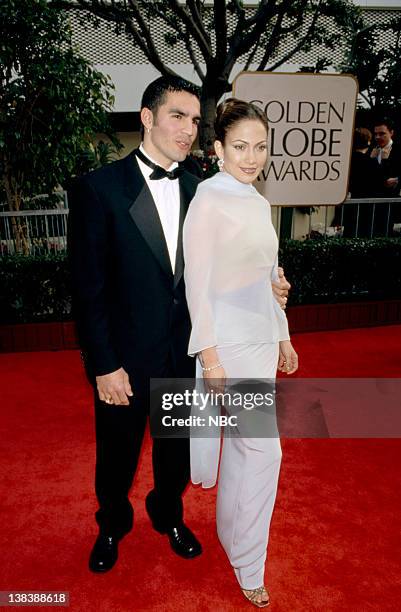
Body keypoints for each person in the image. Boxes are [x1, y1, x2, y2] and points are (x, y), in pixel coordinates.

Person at [68, 76, 291, 574]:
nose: (187, 129)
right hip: (124, 361)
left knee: (173, 456)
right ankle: (111, 525)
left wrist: (269, 289)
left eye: (194, 119)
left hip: (184, 356)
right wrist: (104, 364)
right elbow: (88, 290)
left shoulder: (204, 189)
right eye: (176, 116)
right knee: (117, 458)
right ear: (147, 117)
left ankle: (167, 515)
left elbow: (225, 269)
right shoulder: (98, 190)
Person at [183, 98, 298, 608]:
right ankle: (250, 563)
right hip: (227, 344)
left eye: (260, 147)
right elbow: (197, 284)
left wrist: (283, 332)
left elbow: (269, 276)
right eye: (240, 147)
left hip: (258, 339)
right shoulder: (208, 199)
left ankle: (231, 537)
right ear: (218, 149)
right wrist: (210, 358)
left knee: (245, 452)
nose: (251, 157)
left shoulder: (257, 199)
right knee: (264, 451)